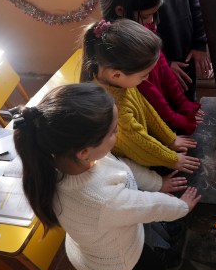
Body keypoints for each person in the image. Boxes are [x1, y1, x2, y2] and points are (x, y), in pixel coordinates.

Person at [13, 83, 201, 270]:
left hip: (100, 245)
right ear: (84, 151)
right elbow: (148, 206)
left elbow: (122, 168)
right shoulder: (102, 199)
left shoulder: (65, 160)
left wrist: (157, 183)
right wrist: (182, 207)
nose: (118, 132)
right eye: (112, 131)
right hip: (119, 263)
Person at [80, 18, 201, 174]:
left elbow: (146, 109)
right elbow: (140, 144)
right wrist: (173, 159)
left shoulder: (119, 82)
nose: (146, 79)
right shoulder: (115, 109)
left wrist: (170, 139)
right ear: (116, 74)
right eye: (144, 75)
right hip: (130, 167)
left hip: (142, 153)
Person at [100, 0, 203, 135]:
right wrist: (175, 119)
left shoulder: (142, 26)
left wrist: (182, 103)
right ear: (120, 10)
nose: (153, 22)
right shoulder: (120, 47)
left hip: (162, 114)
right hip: (150, 123)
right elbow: (150, 94)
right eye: (147, 16)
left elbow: (161, 64)